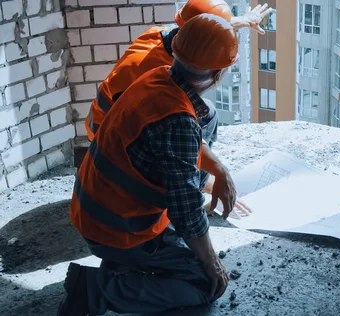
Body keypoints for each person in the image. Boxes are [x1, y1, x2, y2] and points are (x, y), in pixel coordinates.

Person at [58, 14, 239, 315]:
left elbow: (182, 143)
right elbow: (186, 211)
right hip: (117, 230)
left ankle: (123, 266)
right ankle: (97, 291)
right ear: (218, 74)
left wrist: (221, 170)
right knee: (203, 284)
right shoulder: (179, 119)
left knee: (205, 118)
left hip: (91, 210)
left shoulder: (155, 77)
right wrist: (211, 263)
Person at [82, 0, 271, 215]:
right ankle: (190, 185)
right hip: (111, 139)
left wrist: (242, 21)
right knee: (203, 117)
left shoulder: (161, 34)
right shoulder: (159, 74)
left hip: (102, 121)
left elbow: (201, 30)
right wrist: (216, 173)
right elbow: (178, 130)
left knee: (205, 111)